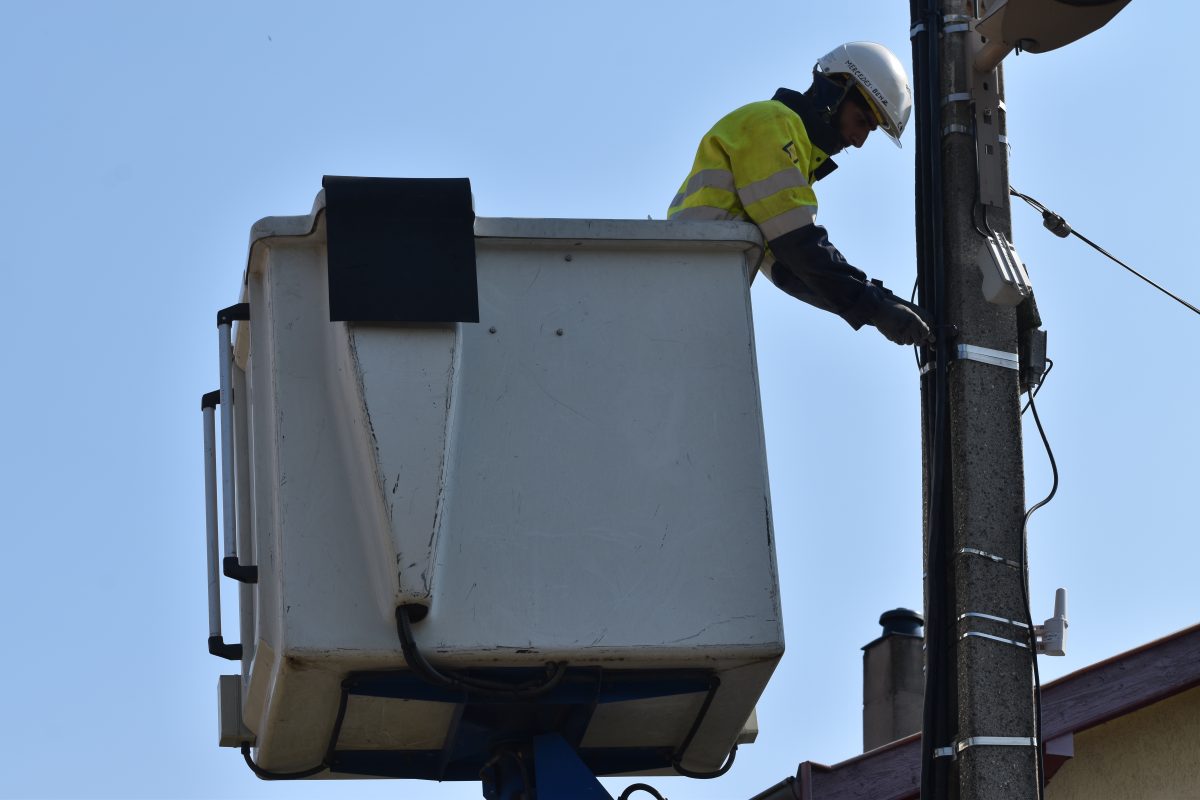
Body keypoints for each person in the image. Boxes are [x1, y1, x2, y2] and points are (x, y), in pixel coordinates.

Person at [668, 42, 932, 346]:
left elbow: (792, 272)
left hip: (697, 283)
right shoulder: (773, 125)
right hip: (689, 276)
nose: (859, 141)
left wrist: (881, 304)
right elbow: (799, 247)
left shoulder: (793, 148)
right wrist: (874, 305)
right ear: (835, 92)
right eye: (861, 120)